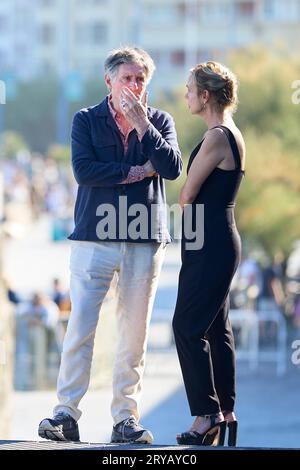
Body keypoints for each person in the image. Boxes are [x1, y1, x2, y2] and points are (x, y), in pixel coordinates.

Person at [38, 47, 182, 444]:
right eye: (127, 78)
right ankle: (65, 414)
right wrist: (137, 171)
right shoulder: (86, 119)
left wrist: (143, 128)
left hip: (143, 239)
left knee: (133, 335)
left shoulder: (161, 121)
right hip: (93, 238)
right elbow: (84, 171)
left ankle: (125, 419)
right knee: (81, 327)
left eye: (140, 80)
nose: (134, 86)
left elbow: (171, 167)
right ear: (109, 81)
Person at [172, 61, 246, 446]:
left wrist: (187, 199)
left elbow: (186, 194)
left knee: (185, 326)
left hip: (211, 241)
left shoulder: (218, 136)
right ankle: (226, 411)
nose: (185, 95)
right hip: (216, 239)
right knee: (217, 327)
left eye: (189, 89)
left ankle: (206, 415)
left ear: (205, 96)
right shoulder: (228, 133)